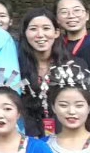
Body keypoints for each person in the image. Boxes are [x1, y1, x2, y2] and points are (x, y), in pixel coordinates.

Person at [17, 8, 69, 136]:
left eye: (46, 28)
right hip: (27, 137)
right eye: (33, 29)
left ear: (56, 33)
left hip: (65, 135)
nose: (40, 34)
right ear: (25, 33)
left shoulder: (72, 67)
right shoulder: (17, 68)